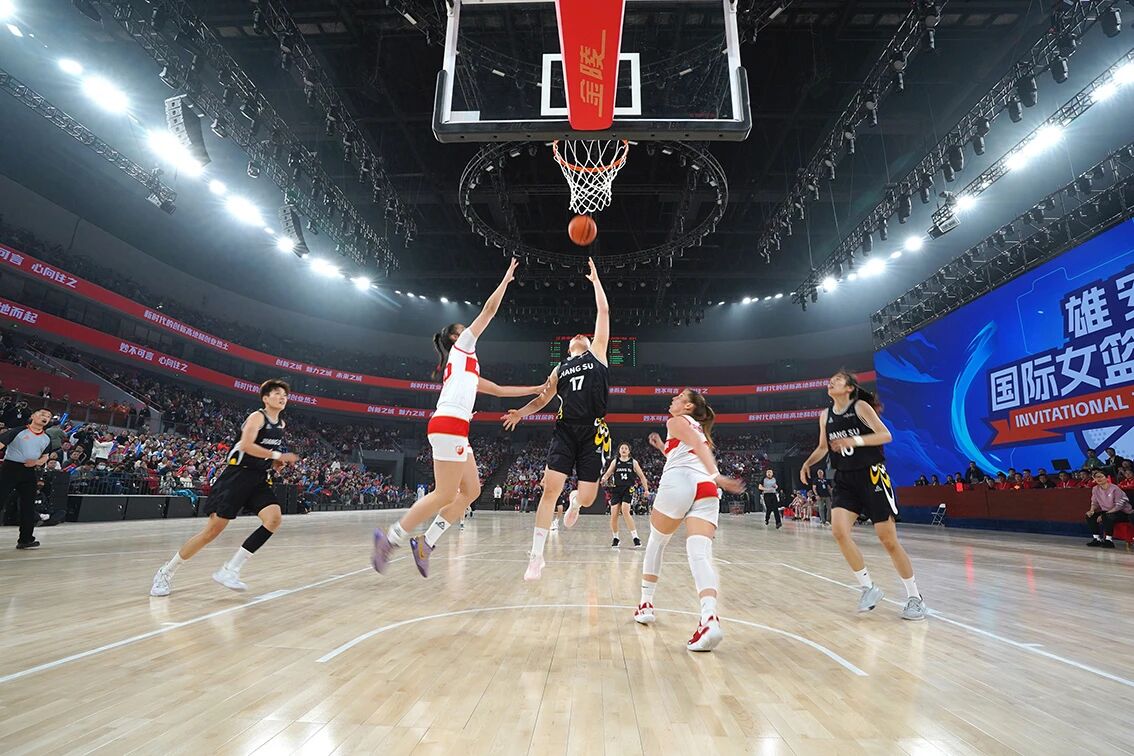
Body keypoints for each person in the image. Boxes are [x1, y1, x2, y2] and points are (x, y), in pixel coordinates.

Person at [372, 259, 543, 577]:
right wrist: (505, 280)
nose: (469, 330)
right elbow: (488, 312)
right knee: (444, 494)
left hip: (457, 427)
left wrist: (536, 388)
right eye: (463, 329)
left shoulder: (468, 367)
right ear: (455, 337)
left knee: (472, 491)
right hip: (449, 423)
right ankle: (391, 537)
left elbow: (500, 390)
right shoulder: (462, 347)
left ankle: (426, 543)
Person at [503, 258, 612, 581]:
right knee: (549, 490)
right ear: (568, 349)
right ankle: (536, 556)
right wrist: (520, 412)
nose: (580, 335)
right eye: (575, 337)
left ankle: (576, 500)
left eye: (585, 336)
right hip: (564, 431)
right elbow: (542, 399)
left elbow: (603, 313)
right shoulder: (559, 368)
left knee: (589, 497)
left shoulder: (598, 354)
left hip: (593, 431)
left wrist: (596, 282)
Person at [150, 380, 299, 596]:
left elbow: (262, 451)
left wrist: (274, 463)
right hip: (236, 477)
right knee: (211, 532)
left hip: (258, 479)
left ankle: (230, 570)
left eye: (284, 394)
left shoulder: (281, 425)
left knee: (274, 518)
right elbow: (246, 445)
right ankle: (166, 571)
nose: (282, 396)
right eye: (277, 393)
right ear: (266, 398)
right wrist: (278, 455)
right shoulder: (257, 417)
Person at [800, 370, 928, 621]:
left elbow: (886, 435)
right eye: (830, 380)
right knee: (839, 532)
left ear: (849, 388)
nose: (831, 381)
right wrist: (808, 463)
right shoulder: (825, 415)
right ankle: (868, 588)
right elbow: (823, 447)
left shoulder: (860, 408)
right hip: (845, 479)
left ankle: (915, 598)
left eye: (837, 379)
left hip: (872, 476)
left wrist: (854, 441)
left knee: (888, 540)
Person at [634, 389, 744, 651]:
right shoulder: (699, 429)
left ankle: (646, 603)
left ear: (687, 406)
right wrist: (662, 447)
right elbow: (685, 452)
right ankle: (709, 618)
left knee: (657, 541)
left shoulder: (676, 421)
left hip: (680, 483)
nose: (673, 398)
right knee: (700, 554)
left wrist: (717, 475)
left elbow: (692, 445)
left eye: (679, 397)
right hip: (705, 488)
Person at [0, 408, 57, 549]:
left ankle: (25, 539)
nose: (45, 417)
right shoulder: (18, 431)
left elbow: (45, 456)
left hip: (29, 472)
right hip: (10, 469)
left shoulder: (46, 438)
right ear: (33, 416)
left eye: (48, 416)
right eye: (42, 414)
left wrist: (36, 462)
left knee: (28, 506)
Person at [599, 442, 649, 548]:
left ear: (629, 451)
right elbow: (608, 473)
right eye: (622, 448)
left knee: (625, 511)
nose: (624, 449)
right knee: (613, 515)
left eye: (626, 448)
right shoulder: (615, 461)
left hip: (628, 489)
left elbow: (642, 476)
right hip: (616, 489)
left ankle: (635, 538)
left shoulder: (633, 462)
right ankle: (616, 538)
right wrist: (604, 478)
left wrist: (646, 489)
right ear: (619, 450)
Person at [1086, 469, 1131, 548]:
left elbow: (1119, 505)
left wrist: (1105, 514)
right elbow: (1094, 502)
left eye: (1101, 477)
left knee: (1106, 516)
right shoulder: (1095, 489)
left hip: (1122, 512)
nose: (1098, 479)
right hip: (1107, 511)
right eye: (1096, 477)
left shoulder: (1115, 488)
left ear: (1107, 478)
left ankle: (1109, 540)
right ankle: (1097, 539)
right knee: (1090, 516)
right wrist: (1091, 510)